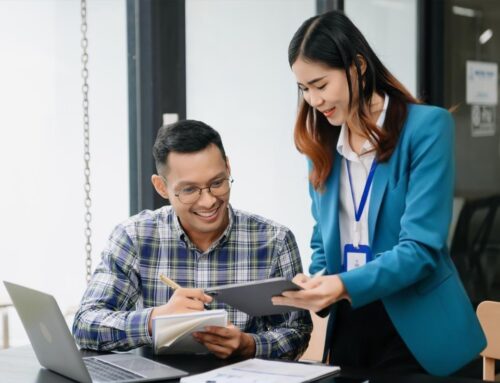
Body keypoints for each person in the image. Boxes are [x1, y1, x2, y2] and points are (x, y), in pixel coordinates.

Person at [272, 10, 486, 376]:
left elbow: (422, 249)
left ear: (356, 67)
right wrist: (318, 280)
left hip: (421, 332)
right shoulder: (320, 145)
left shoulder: (426, 128)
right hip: (352, 329)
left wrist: (339, 284)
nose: (313, 100)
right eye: (303, 89)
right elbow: (323, 240)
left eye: (321, 85)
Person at [73, 120, 312, 360]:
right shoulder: (134, 237)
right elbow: (85, 325)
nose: (208, 201)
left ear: (228, 168)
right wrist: (155, 319)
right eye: (189, 190)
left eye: (217, 183)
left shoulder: (275, 241)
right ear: (162, 187)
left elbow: (297, 331)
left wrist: (249, 345)